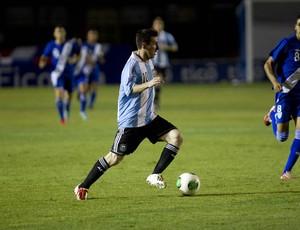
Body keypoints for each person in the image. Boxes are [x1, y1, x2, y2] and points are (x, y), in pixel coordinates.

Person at [74, 28, 183, 200]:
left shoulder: (148, 60)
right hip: (131, 122)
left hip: (149, 117)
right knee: (114, 158)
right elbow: (129, 90)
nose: (158, 48)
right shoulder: (130, 65)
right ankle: (83, 186)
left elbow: (148, 79)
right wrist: (150, 83)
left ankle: (155, 174)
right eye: (155, 45)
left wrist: (153, 79)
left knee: (176, 137)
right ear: (144, 45)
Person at [263, 14, 300, 180]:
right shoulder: (287, 43)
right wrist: (274, 81)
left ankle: (287, 172)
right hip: (285, 94)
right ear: (296, 26)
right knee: (282, 138)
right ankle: (272, 115)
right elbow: (268, 64)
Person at [39, 24, 80, 125]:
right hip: (57, 74)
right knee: (60, 93)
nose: (60, 33)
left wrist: (74, 59)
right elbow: (44, 56)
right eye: (58, 31)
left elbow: (78, 54)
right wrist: (42, 62)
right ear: (54, 34)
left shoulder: (70, 44)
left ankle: (67, 110)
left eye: (62, 31)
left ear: (65, 33)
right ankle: (62, 119)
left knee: (70, 95)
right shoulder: (51, 45)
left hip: (69, 73)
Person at [74, 29, 106, 120]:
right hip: (84, 70)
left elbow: (101, 59)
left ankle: (90, 104)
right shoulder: (83, 45)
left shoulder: (98, 46)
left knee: (94, 87)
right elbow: (81, 57)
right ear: (88, 36)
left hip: (94, 69)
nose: (94, 37)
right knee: (84, 88)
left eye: (95, 35)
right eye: (92, 35)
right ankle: (82, 111)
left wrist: (101, 58)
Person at [151, 16, 178, 109]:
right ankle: (153, 102)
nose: (158, 26)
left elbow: (175, 47)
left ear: (163, 25)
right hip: (152, 62)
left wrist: (167, 47)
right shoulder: (150, 35)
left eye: (160, 24)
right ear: (153, 25)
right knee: (155, 80)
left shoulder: (167, 36)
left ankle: (155, 101)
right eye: (156, 24)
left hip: (163, 63)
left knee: (158, 83)